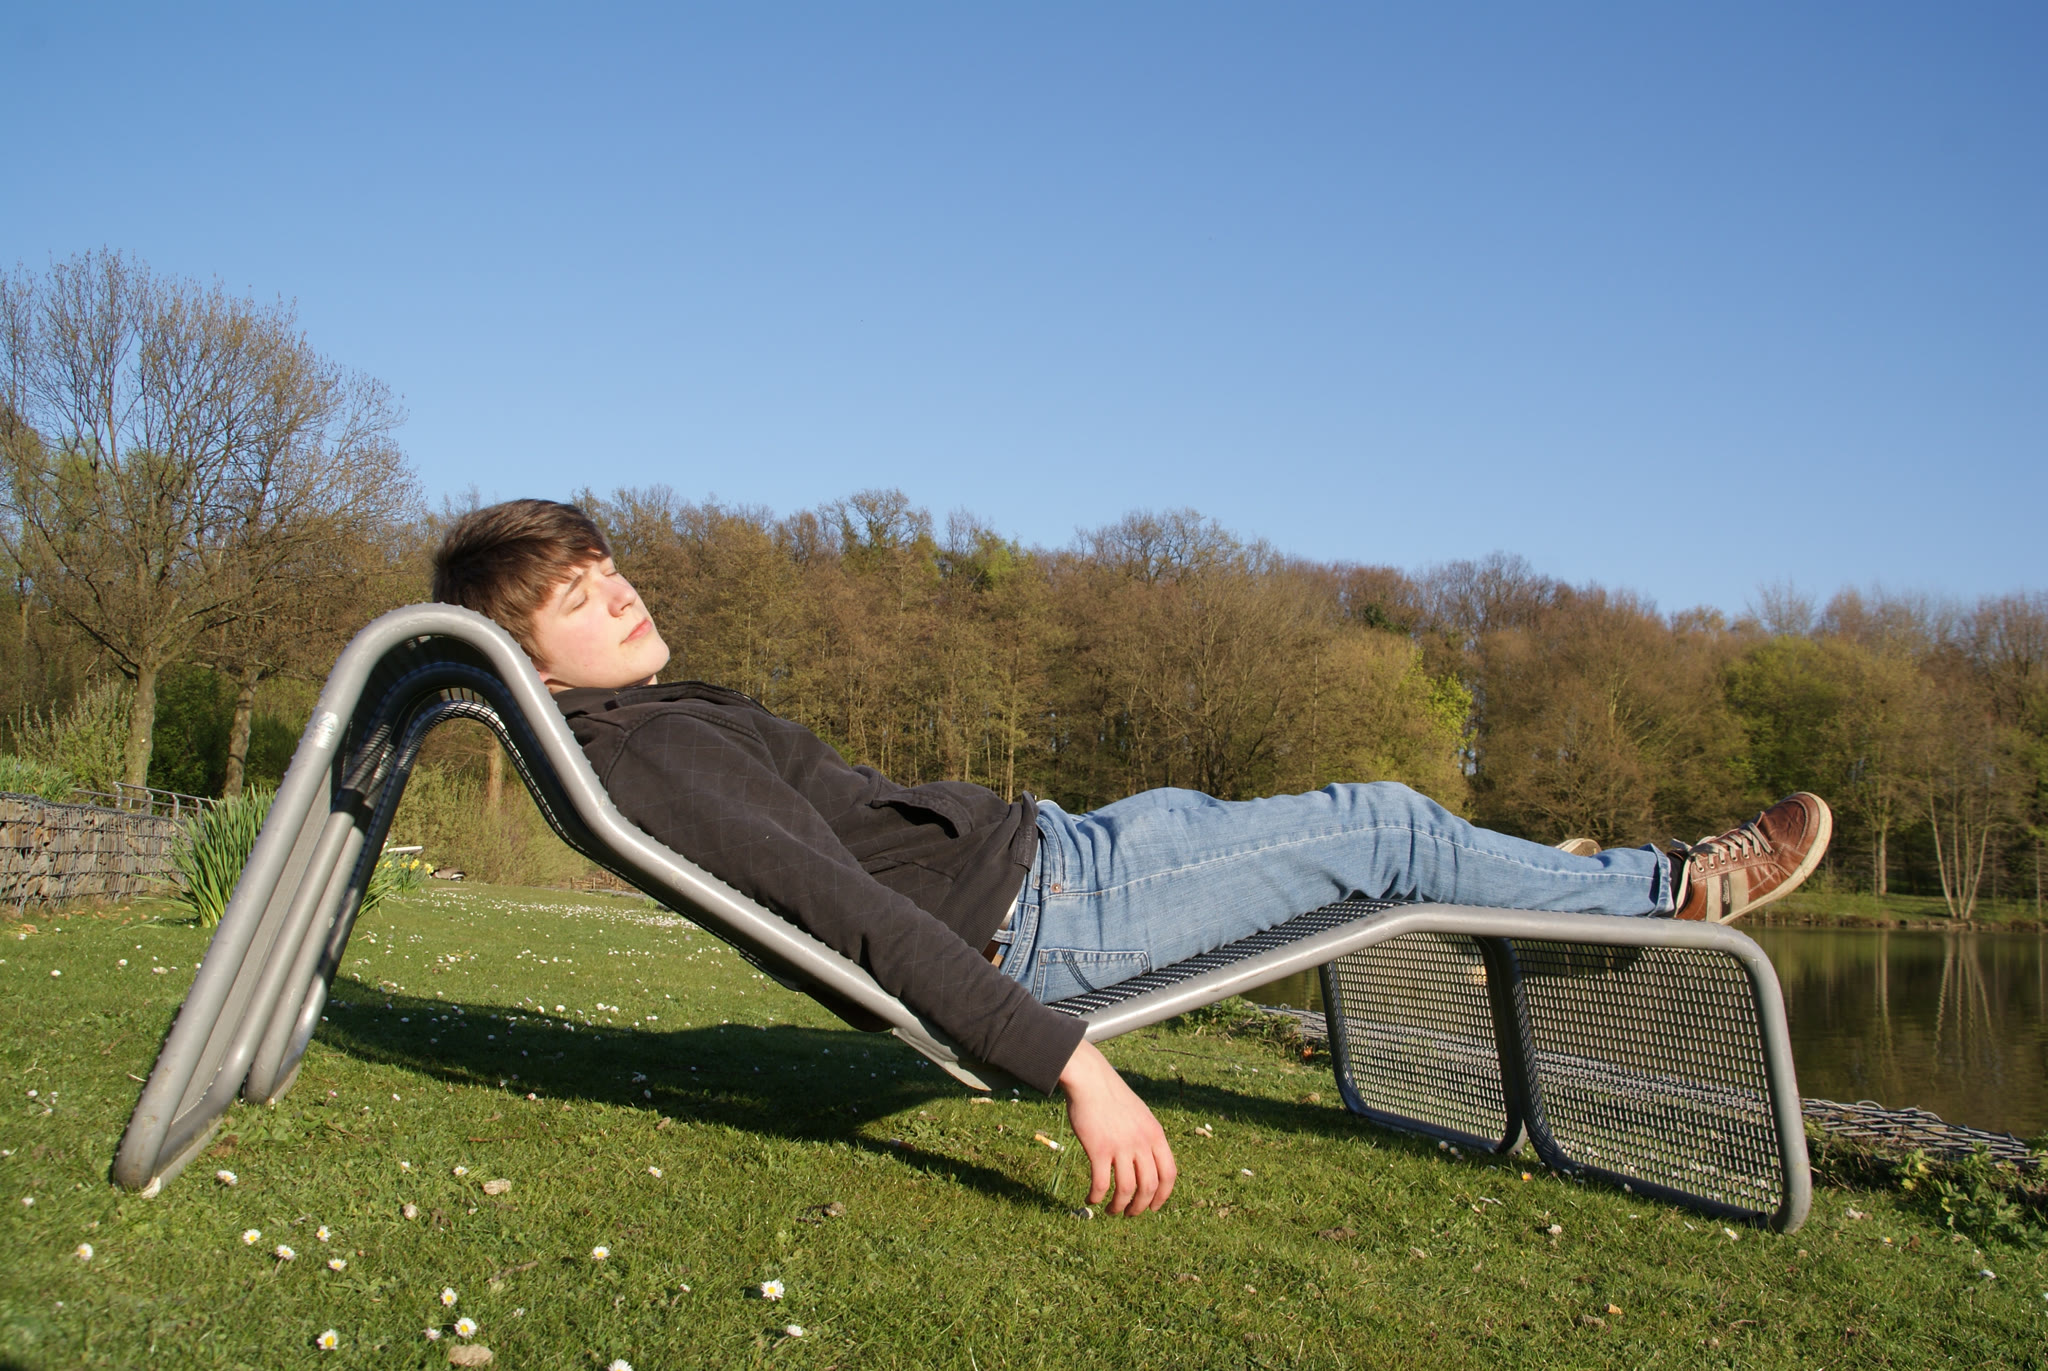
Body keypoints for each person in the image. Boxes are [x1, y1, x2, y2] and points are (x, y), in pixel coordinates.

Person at [430, 500, 1833, 1219]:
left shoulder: (647, 722)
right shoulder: (654, 755)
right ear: (528, 660)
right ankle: (1668, 892)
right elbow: (853, 919)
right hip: (1048, 916)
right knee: (1388, 826)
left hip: (1059, 857)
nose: (620, 596)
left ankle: (1544, 900)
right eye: (577, 599)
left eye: (608, 570)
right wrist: (1076, 1067)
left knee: (1383, 841)